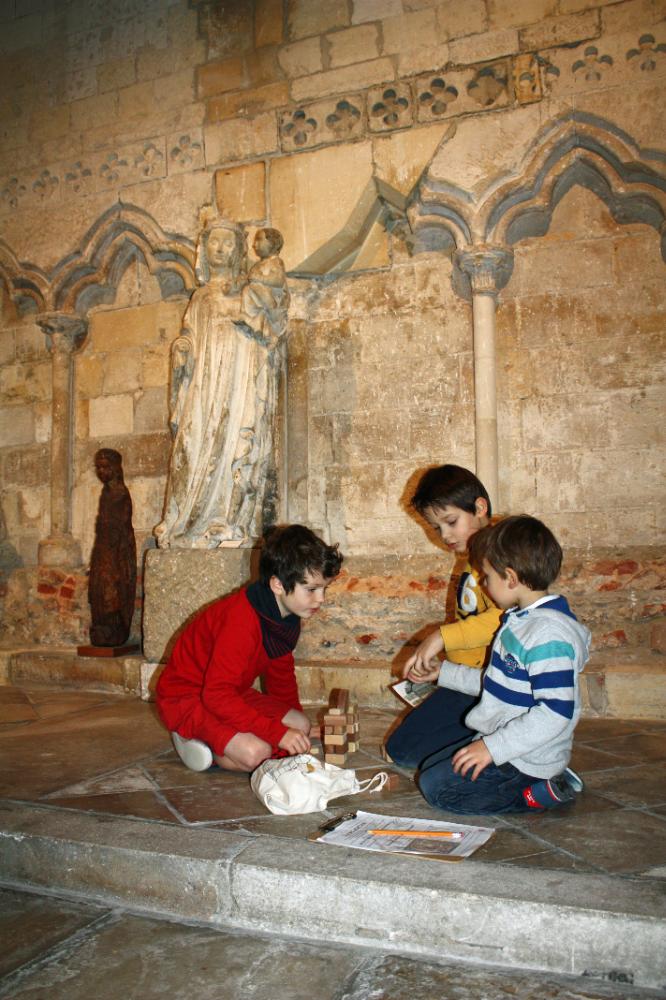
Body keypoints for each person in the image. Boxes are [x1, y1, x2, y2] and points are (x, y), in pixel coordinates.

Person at [417, 515, 591, 814]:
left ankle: (541, 791)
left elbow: (555, 713)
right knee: (430, 769)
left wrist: (491, 748)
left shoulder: (548, 636)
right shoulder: (520, 621)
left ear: (510, 577)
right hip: (506, 743)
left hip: (527, 759)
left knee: (438, 790)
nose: (483, 584)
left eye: (486, 577)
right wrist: (442, 673)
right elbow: (498, 683)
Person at [156, 524, 343, 773]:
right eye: (311, 589)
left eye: (324, 589)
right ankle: (198, 742)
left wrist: (295, 733)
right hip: (187, 698)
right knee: (258, 753)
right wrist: (276, 733)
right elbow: (216, 695)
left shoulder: (286, 616)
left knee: (300, 724)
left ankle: (225, 738)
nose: (320, 599)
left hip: (228, 692)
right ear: (277, 584)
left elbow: (281, 679)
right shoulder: (240, 621)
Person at [155, 216, 288, 550]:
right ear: (204, 248)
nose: (220, 248)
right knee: (191, 441)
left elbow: (267, 328)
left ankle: (226, 521)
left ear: (239, 250)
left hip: (237, 380)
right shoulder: (199, 297)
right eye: (214, 241)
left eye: (228, 242)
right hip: (203, 385)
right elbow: (189, 335)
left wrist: (242, 315)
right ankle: (186, 521)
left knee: (235, 445)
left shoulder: (248, 291)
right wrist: (182, 349)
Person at [385, 465, 502, 767]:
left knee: (413, 755)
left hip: (494, 686)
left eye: (451, 522)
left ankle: (504, 736)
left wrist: (441, 636)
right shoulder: (467, 560)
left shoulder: (504, 555)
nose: (445, 536)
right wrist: (441, 668)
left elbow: (506, 620)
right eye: (437, 528)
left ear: (479, 507)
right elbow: (470, 622)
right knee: (399, 750)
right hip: (463, 681)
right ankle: (487, 734)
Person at [88, 448, 136, 647]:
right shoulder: (106, 493)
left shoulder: (120, 493)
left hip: (116, 554)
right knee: (99, 593)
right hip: (103, 552)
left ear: (116, 468)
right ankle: (102, 629)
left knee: (112, 594)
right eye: (98, 467)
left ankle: (114, 630)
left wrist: (115, 561)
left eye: (106, 467)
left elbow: (119, 531)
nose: (101, 471)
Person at [241, 227, 290, 339]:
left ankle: (266, 318)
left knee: (254, 287)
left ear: (272, 243)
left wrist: (260, 278)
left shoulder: (275, 262)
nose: (254, 244)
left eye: (259, 240)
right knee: (247, 290)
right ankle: (255, 322)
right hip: (261, 303)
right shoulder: (257, 265)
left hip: (274, 301)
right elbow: (247, 277)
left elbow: (278, 280)